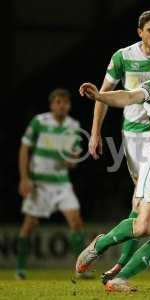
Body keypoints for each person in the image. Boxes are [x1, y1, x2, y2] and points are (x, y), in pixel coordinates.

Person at [76, 32, 150, 293]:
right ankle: (101, 244)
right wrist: (100, 96)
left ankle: (118, 279)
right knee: (145, 226)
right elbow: (128, 97)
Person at [16, 88, 89, 279]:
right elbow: (24, 149)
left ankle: (80, 270)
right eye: (58, 102)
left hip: (62, 184)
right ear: (51, 105)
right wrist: (24, 178)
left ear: (69, 106)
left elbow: (74, 156)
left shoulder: (74, 125)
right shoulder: (40, 122)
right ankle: (21, 268)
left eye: (65, 103)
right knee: (30, 224)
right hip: (39, 183)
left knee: (76, 222)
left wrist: (72, 161)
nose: (61, 106)